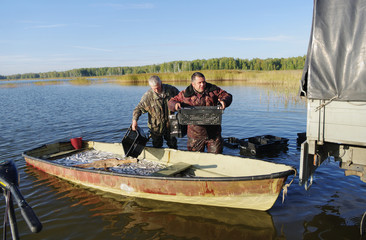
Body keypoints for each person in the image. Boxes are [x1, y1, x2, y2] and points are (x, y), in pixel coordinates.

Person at [168, 72, 232, 154]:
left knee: (216, 158)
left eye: (204, 82)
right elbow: (171, 102)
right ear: (193, 84)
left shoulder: (213, 90)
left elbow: (227, 95)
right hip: (195, 135)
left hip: (214, 133)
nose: (202, 84)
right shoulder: (185, 94)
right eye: (199, 83)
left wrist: (224, 101)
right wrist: (175, 104)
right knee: (195, 159)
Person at [131, 75, 179, 149]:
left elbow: (182, 98)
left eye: (158, 87)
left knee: (173, 145)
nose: (157, 90)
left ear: (161, 83)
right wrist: (134, 121)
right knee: (157, 146)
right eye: (154, 89)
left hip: (171, 125)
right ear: (151, 87)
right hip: (156, 127)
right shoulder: (148, 96)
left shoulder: (171, 90)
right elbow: (138, 109)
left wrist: (178, 104)